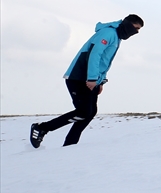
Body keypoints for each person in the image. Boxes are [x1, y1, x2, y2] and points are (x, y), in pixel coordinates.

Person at [30, 14, 144, 148]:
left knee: (90, 112)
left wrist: (101, 81)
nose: (136, 32)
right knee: (84, 111)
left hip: (92, 79)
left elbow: (104, 62)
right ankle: (42, 128)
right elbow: (94, 55)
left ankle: (70, 145)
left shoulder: (116, 37)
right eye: (135, 28)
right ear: (127, 24)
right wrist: (92, 78)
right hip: (79, 77)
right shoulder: (108, 33)